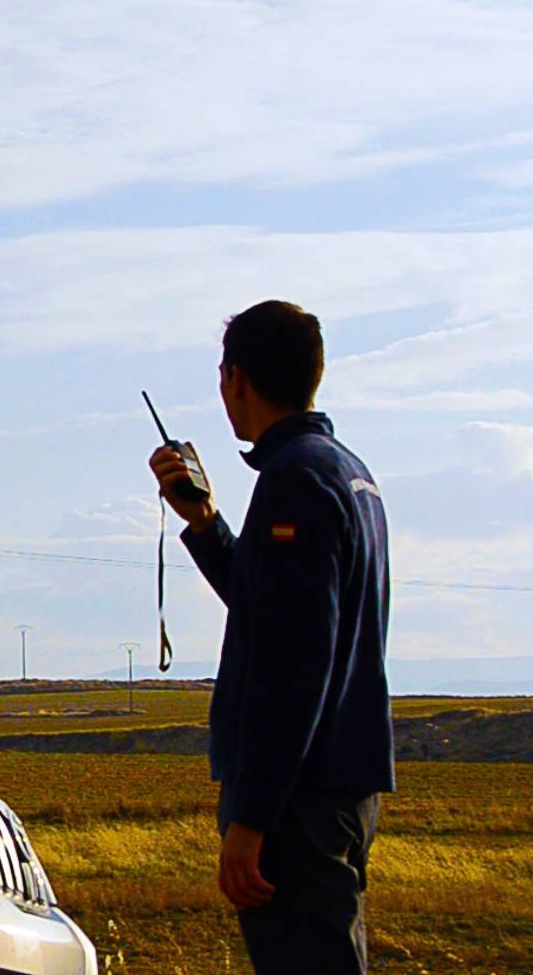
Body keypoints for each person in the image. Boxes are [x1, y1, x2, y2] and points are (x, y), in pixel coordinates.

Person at [148, 300, 393, 974]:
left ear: (234, 379)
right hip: (337, 783)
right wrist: (204, 524)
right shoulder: (345, 472)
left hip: (298, 801)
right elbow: (271, 610)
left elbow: (292, 664)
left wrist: (251, 817)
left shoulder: (293, 481)